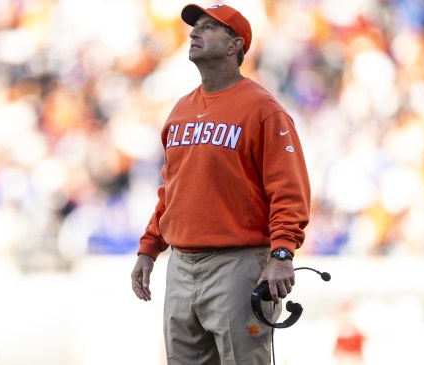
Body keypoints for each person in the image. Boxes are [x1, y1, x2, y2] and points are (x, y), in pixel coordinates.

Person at [130, 3, 311, 364]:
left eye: (209, 27)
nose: (195, 32)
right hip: (181, 263)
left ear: (235, 46)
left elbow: (288, 189)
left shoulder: (263, 109)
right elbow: (172, 189)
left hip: (237, 263)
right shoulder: (181, 109)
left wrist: (281, 253)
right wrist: (149, 248)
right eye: (195, 26)